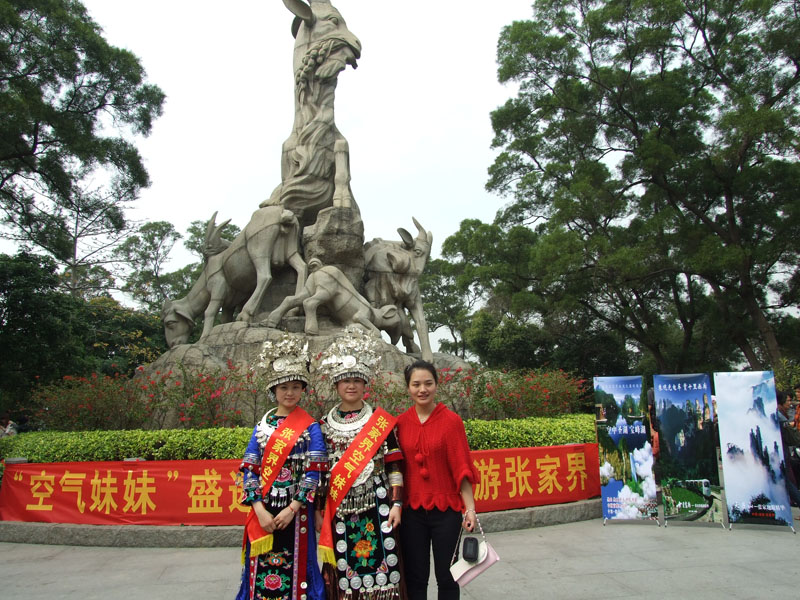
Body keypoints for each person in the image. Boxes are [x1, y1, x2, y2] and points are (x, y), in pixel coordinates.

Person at [313, 326, 406, 600]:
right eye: (345, 380)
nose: (351, 385)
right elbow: (319, 474)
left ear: (365, 384)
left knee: (384, 566)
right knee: (343, 570)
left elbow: (394, 467)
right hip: (338, 507)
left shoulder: (380, 422)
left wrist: (397, 503)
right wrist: (319, 510)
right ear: (336, 385)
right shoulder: (322, 426)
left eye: (356, 380)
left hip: (378, 504)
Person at [237, 334, 327, 600]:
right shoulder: (262, 426)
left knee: (298, 569)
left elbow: (315, 472)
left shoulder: (310, 427)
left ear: (302, 390)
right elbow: (250, 469)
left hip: (296, 512)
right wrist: (258, 509)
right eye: (284, 387)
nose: (290, 393)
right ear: (274, 390)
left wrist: (293, 508)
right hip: (263, 510)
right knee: (261, 569)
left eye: (296, 387)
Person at [396, 360, 478, 600]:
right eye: (416, 384)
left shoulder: (451, 421)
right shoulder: (399, 423)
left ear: (436, 385)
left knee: (449, 576)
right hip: (411, 512)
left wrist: (470, 509)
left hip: (447, 512)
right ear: (408, 388)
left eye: (428, 383)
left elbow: (462, 468)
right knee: (415, 578)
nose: (423, 389)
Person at [776, 390, 800, 508]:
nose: (789, 404)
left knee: (785, 480)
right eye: (788, 401)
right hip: (782, 450)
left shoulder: (778, 416)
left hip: (781, 451)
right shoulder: (780, 415)